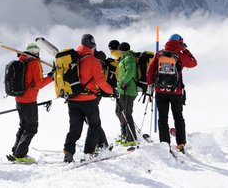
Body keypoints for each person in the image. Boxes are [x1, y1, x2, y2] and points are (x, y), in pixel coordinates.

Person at [63, 34, 114, 163]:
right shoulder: (93, 61)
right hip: (89, 100)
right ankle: (88, 153)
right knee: (94, 126)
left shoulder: (71, 59)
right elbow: (101, 82)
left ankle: (68, 152)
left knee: (74, 128)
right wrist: (112, 91)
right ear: (92, 46)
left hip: (72, 99)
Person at [146, 34, 197, 153]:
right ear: (180, 43)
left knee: (162, 118)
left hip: (160, 90)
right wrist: (185, 50)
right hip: (176, 91)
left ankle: (165, 143)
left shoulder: (160, 54)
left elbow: (150, 70)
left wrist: (151, 84)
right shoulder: (180, 55)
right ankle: (180, 143)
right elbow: (193, 63)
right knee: (178, 117)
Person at [7, 43, 54, 163]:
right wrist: (52, 77)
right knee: (31, 128)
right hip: (29, 101)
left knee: (23, 126)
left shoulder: (22, 61)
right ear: (36, 52)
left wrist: (48, 75)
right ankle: (21, 155)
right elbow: (40, 84)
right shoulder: (34, 63)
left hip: (19, 100)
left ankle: (16, 151)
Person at [115, 42, 138, 146]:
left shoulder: (129, 58)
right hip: (123, 90)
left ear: (121, 50)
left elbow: (130, 72)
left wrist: (123, 82)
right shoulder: (124, 58)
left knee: (127, 114)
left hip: (128, 90)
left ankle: (131, 138)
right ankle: (124, 135)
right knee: (120, 112)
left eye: (119, 50)